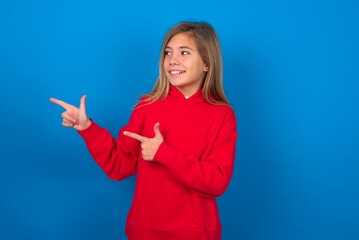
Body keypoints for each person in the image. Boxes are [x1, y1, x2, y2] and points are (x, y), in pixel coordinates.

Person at [50, 21, 237, 240]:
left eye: (184, 52)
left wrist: (164, 154)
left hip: (195, 233)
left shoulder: (222, 115)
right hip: (144, 232)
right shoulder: (147, 106)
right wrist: (87, 128)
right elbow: (119, 166)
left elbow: (216, 182)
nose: (172, 60)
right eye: (168, 53)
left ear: (206, 63)